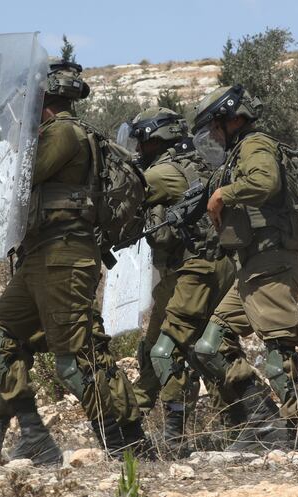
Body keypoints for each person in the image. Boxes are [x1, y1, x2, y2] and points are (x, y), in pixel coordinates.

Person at [0, 59, 147, 465]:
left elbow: (18, 178)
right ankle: (31, 437)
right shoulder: (48, 135)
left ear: (45, 96)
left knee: (78, 361)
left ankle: (126, 444)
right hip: (38, 256)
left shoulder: (65, 133)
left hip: (65, 257)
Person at [190, 84, 298, 451]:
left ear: (230, 117)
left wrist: (222, 194)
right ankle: (262, 420)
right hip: (255, 266)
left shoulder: (254, 144)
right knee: (211, 345)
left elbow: (265, 181)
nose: (213, 135)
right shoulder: (240, 150)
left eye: (214, 126)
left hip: (272, 262)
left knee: (278, 350)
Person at [118, 107, 235, 453]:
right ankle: (130, 422)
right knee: (159, 348)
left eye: (143, 141)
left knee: (165, 351)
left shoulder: (165, 172)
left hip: (193, 270)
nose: (139, 149)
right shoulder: (197, 162)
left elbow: (126, 194)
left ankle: (176, 432)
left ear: (158, 138)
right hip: (193, 270)